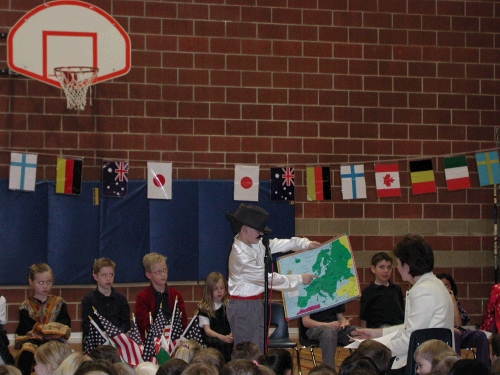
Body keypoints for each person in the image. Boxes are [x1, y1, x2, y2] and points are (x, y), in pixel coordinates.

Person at [351, 234, 454, 375]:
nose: (398, 268)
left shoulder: (423, 291)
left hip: (428, 362)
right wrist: (376, 333)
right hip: (431, 357)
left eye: (398, 263)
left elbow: (410, 340)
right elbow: (411, 329)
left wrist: (375, 347)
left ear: (407, 265)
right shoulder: (433, 284)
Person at [226, 203, 320, 352]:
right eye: (258, 230)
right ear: (245, 229)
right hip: (243, 308)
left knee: (259, 348)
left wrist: (305, 244)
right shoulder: (240, 256)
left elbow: (278, 244)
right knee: (246, 352)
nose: (262, 234)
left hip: (255, 304)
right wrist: (300, 279)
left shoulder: (254, 243)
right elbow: (269, 278)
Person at [15, 263, 71, 375]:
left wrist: (43, 331)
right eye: (40, 282)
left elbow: (64, 324)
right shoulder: (26, 305)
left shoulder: (59, 302)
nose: (45, 286)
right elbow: (25, 327)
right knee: (27, 351)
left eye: (48, 282)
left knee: (58, 352)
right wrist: (44, 331)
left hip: (55, 339)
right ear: (31, 282)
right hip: (33, 340)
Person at [436, 273, 489, 367]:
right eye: (441, 285)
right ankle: (457, 369)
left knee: (480, 335)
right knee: (455, 334)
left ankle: (483, 369)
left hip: (459, 332)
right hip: (442, 334)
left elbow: (459, 324)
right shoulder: (433, 302)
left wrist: (453, 303)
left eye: (446, 285)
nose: (444, 288)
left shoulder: (456, 303)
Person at [135, 253, 187, 341]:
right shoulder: (143, 297)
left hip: (174, 338)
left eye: (165, 270)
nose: (163, 274)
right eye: (158, 272)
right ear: (148, 275)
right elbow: (143, 324)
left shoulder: (176, 295)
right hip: (151, 340)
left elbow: (183, 320)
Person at [81, 258, 131, 349]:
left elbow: (126, 323)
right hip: (97, 344)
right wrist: (102, 334)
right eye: (104, 275)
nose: (108, 278)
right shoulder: (88, 300)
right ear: (95, 277)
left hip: (118, 342)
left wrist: (117, 334)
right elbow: (86, 325)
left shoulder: (121, 299)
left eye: (111, 275)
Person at [301, 304, 356, 368]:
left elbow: (340, 318)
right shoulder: (307, 296)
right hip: (315, 329)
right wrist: (327, 325)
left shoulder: (337, 295)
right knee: (329, 333)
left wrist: (344, 322)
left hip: (336, 328)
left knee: (358, 332)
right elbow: (306, 322)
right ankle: (329, 370)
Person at [359, 252, 405, 328]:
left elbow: (402, 311)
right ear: (373, 269)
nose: (386, 271)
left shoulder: (396, 289)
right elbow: (364, 318)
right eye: (382, 267)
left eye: (389, 267)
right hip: (379, 330)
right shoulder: (368, 291)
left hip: (398, 327)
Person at [198, 272, 233, 363]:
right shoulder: (205, 308)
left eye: (222, 288)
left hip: (227, 338)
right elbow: (208, 331)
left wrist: (231, 334)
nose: (219, 291)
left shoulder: (227, 305)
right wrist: (221, 337)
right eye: (216, 288)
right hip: (214, 341)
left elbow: (233, 322)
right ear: (209, 290)